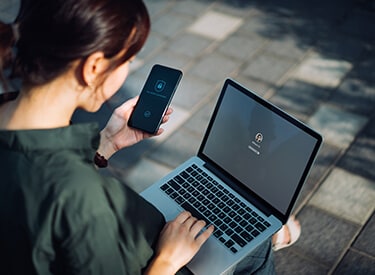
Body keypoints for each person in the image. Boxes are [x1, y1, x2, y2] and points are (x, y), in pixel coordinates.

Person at [0, 0, 298, 274]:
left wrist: (106, 144)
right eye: (128, 59)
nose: (128, 69)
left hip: (121, 232)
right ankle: (268, 238)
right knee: (255, 249)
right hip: (153, 258)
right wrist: (167, 260)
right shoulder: (79, 195)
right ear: (93, 68)